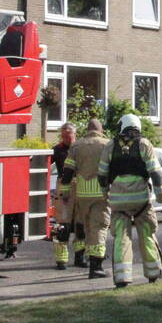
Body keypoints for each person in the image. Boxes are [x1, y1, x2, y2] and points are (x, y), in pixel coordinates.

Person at [98, 114, 162, 288]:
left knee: (122, 238)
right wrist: (160, 194)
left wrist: (105, 194)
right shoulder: (144, 145)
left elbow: (102, 175)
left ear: (121, 127)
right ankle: (153, 274)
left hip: (119, 203)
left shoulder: (110, 146)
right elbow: (156, 174)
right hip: (141, 201)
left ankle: (122, 278)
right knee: (147, 234)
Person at [61, 118, 111, 277]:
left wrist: (65, 192)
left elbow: (67, 171)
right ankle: (96, 267)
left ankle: (85, 257)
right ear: (101, 130)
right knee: (99, 227)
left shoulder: (76, 146)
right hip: (100, 194)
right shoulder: (107, 144)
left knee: (86, 227)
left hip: (82, 194)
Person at [51, 122, 76, 270]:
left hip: (78, 185)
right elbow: (45, 162)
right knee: (63, 224)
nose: (66, 139)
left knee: (80, 224)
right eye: (64, 136)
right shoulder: (57, 150)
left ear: (75, 135)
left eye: (69, 135)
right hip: (62, 187)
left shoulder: (79, 149)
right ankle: (62, 260)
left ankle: (80, 257)